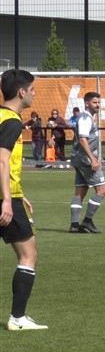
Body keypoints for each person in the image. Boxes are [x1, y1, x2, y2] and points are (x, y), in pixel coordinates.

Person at [0, 69, 46, 331]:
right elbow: (2, 160)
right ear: (21, 92)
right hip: (5, 200)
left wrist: (19, 192)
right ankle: (17, 318)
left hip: (11, 194)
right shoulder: (12, 122)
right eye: (32, 89)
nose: (34, 93)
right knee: (29, 255)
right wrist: (8, 199)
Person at [68, 92, 105, 234]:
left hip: (78, 159)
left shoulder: (87, 118)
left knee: (80, 192)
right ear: (86, 103)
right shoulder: (85, 119)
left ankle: (74, 225)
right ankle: (87, 221)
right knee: (102, 190)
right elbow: (83, 139)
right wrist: (92, 159)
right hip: (85, 160)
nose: (97, 105)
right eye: (94, 102)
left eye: (99, 102)